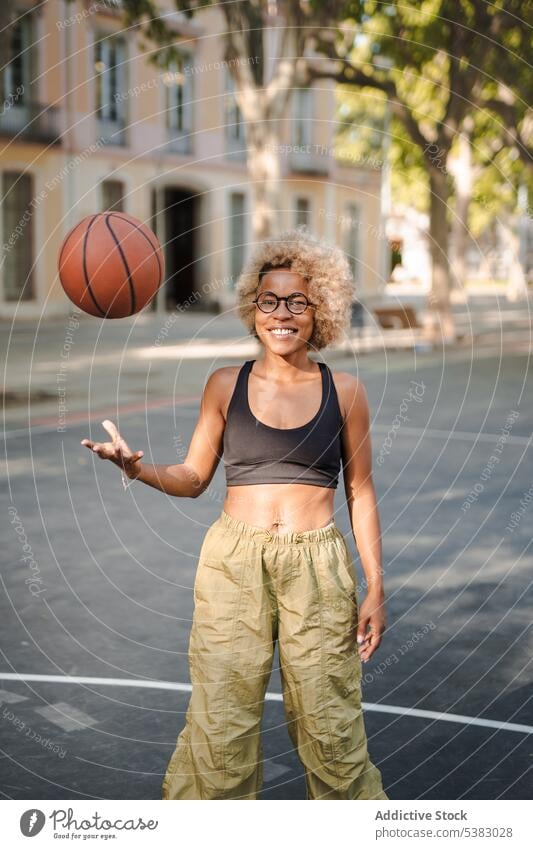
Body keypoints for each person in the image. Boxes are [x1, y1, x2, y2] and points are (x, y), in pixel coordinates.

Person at [81, 227, 389, 801]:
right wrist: (137, 469)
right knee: (221, 730)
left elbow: (361, 492)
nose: (281, 314)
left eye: (297, 301)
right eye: (269, 301)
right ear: (253, 309)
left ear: (317, 309)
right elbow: (194, 478)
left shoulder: (345, 391)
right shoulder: (225, 384)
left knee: (333, 733)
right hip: (233, 564)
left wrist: (375, 586)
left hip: (318, 569)